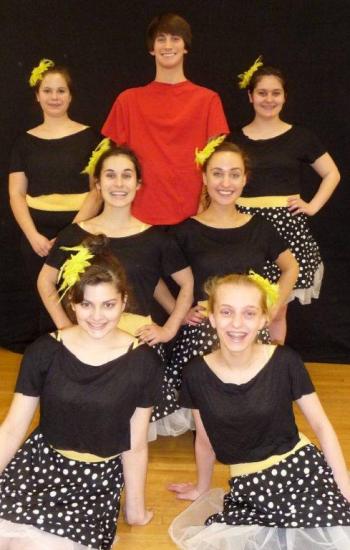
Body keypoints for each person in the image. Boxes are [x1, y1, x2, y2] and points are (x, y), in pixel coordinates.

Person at [0, 235, 163, 550]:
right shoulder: (45, 350)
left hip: (94, 483)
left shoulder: (143, 362)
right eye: (86, 304)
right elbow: (12, 429)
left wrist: (135, 510)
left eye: (108, 304)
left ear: (124, 302)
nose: (97, 316)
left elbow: (137, 444)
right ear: (72, 303)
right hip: (40, 466)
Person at [169, 273, 350, 549]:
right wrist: (201, 488)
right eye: (227, 312)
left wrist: (345, 489)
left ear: (264, 319)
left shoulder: (285, 361)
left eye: (249, 313)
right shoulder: (196, 373)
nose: (237, 324)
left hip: (301, 472)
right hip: (248, 487)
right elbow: (205, 440)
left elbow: (322, 427)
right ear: (213, 317)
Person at [37, 142, 194, 423]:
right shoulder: (75, 234)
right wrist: (64, 326)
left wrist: (169, 328)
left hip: (135, 342)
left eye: (126, 175)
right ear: (97, 183)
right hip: (87, 335)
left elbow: (187, 282)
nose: (118, 183)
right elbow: (45, 282)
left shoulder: (156, 239)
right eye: (110, 175)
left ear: (138, 184)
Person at [166, 140, 298, 400]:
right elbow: (154, 276)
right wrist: (177, 312)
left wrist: (273, 307)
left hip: (247, 326)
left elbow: (291, 267)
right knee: (213, 348)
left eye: (234, 174)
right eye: (218, 173)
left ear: (245, 179)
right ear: (204, 177)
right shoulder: (185, 232)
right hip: (206, 327)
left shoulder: (261, 228)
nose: (226, 183)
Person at [230, 59, 341, 342]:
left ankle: (272, 369)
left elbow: (332, 173)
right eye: (263, 93)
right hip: (246, 227)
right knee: (244, 303)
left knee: (277, 309)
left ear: (284, 96)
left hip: (285, 231)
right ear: (250, 96)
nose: (269, 99)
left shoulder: (300, 137)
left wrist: (312, 206)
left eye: (275, 93)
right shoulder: (233, 141)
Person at [101, 13, 229, 225]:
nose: (168, 45)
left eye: (175, 38)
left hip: (195, 219)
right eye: (161, 39)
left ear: (185, 46)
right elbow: (106, 165)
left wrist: (205, 208)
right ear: (151, 48)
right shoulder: (127, 101)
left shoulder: (208, 100)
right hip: (137, 220)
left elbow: (217, 164)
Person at [9, 58, 100, 335]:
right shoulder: (24, 141)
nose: (54, 97)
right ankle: (49, 365)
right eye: (47, 91)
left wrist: (70, 234)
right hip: (38, 237)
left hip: (80, 230)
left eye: (61, 90)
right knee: (44, 302)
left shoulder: (90, 138)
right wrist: (32, 235)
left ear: (70, 95)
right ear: (37, 96)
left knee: (81, 298)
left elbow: (97, 191)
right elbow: (16, 193)